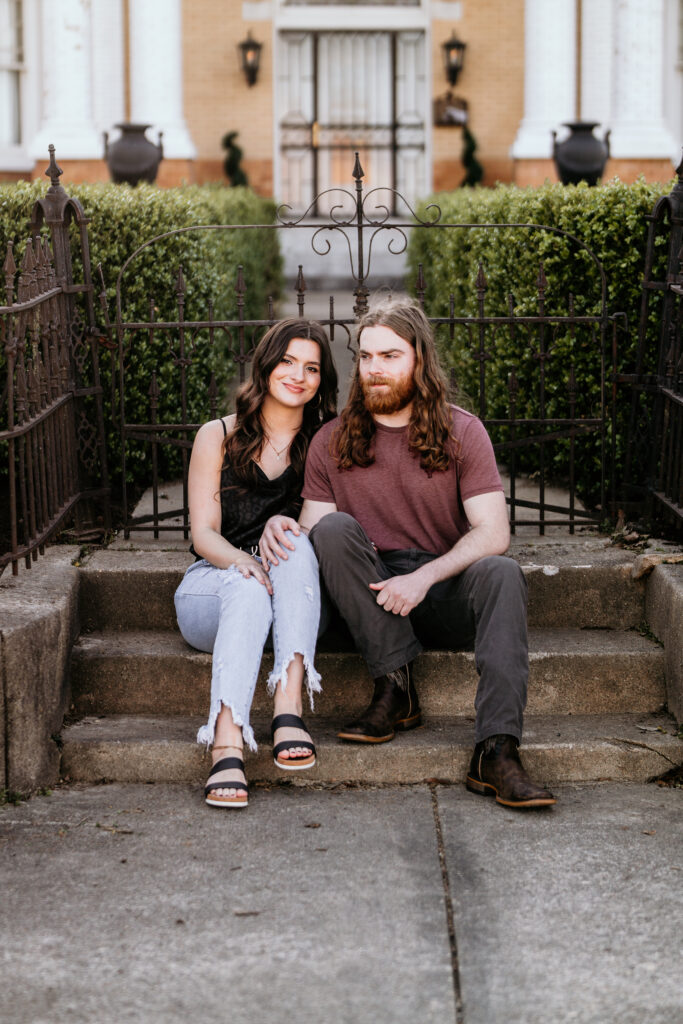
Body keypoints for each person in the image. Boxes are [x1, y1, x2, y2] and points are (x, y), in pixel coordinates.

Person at [261, 297, 555, 810]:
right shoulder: (332, 440)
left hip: (440, 590)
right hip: (368, 596)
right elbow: (312, 537)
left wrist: (424, 578)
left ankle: (497, 750)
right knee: (330, 531)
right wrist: (278, 525)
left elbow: (493, 531)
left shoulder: (464, 431)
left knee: (503, 572)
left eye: (390, 356)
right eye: (367, 356)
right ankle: (395, 687)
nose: (375, 369)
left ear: (419, 359)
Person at [174, 319, 337, 808]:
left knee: (291, 537)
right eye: (287, 362)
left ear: (321, 381)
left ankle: (288, 708)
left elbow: (316, 531)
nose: (297, 375)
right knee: (246, 585)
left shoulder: (326, 442)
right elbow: (203, 535)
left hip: (295, 606)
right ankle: (226, 739)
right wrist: (248, 563)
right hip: (216, 591)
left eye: (311, 368)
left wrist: (278, 533)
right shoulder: (217, 435)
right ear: (265, 366)